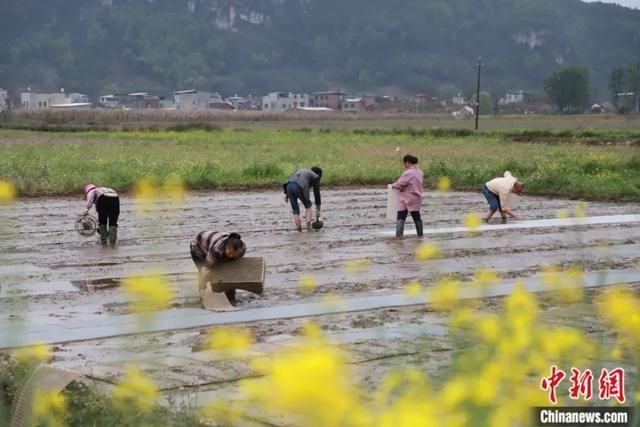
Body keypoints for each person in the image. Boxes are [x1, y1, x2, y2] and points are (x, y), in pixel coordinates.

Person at [190, 231, 246, 302]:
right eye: (230, 254)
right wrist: (205, 279)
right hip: (197, 245)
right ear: (226, 248)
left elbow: (235, 265)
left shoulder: (242, 248)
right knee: (208, 271)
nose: (231, 256)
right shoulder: (217, 249)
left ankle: (231, 297)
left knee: (229, 271)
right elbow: (206, 268)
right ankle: (203, 296)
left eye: (234, 255)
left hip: (213, 242)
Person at [392, 155, 424, 237]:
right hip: (417, 197)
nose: (404, 165)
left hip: (406, 197)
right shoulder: (420, 172)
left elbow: (400, 184)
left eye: (404, 163)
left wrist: (393, 185)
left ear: (407, 162)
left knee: (401, 216)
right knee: (416, 216)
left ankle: (399, 236)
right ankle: (420, 235)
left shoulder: (408, 173)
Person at [283, 167, 322, 232]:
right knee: (308, 207)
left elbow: (291, 180)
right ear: (318, 174)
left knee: (295, 211)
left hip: (288, 186)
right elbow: (316, 193)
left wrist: (287, 195)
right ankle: (308, 228)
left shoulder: (300, 170)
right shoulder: (315, 176)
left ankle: (299, 230)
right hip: (299, 187)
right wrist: (318, 209)